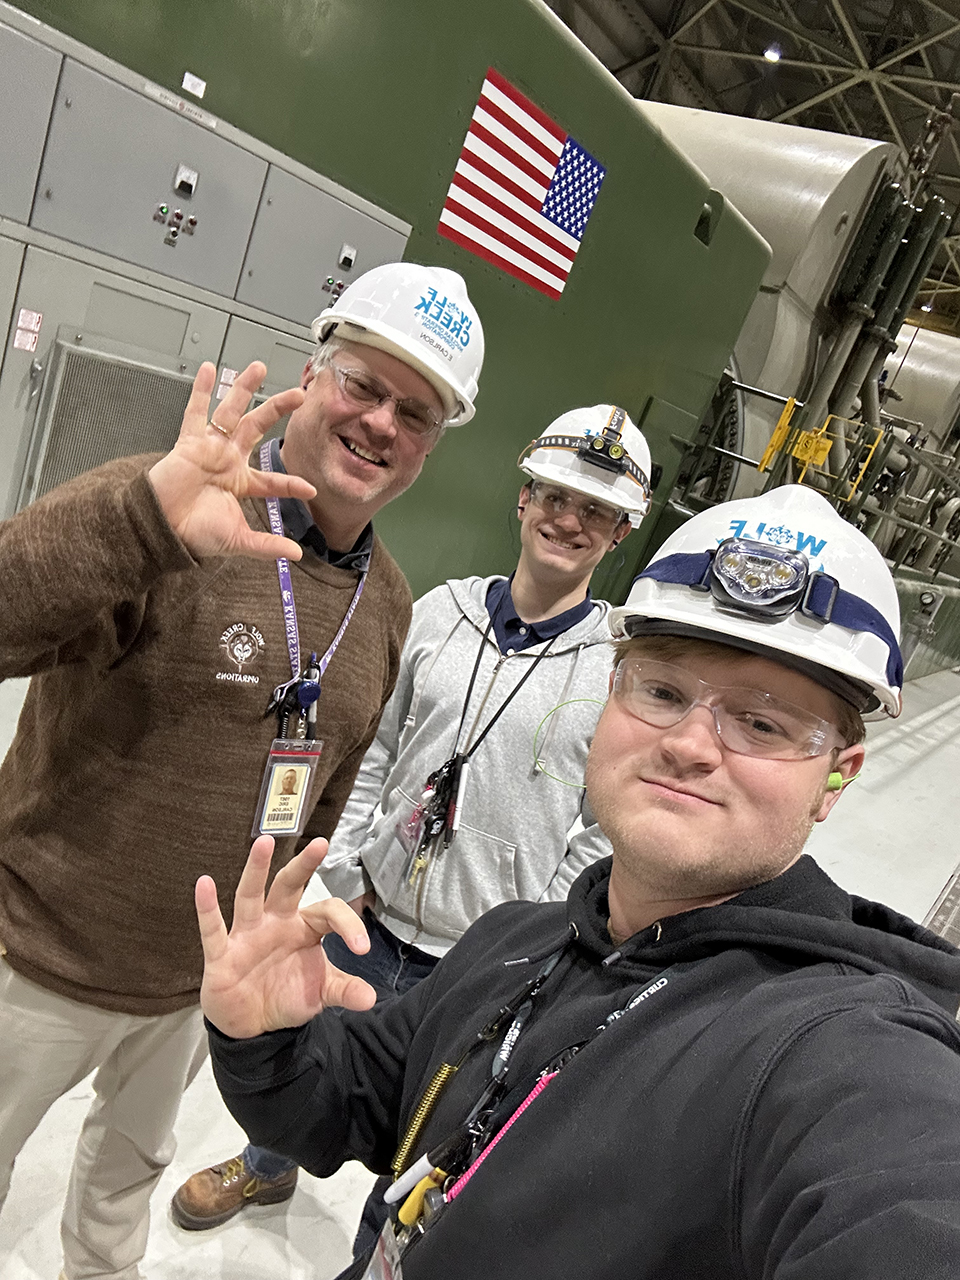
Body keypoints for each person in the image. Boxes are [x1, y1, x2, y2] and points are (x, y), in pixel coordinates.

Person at [198, 483, 960, 1280]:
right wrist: (263, 1039)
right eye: (662, 692)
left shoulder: (838, 1053)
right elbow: (353, 1102)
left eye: (762, 723)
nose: (689, 745)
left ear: (836, 778)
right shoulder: (519, 941)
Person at [0, 261, 483, 1280]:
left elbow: (328, 783)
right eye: (364, 384)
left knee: (124, 1183)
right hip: (36, 950)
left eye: (417, 412)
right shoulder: (172, 508)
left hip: (194, 981)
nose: (382, 423)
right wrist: (140, 523)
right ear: (311, 376)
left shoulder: (388, 602)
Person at [172, 403, 655, 1229]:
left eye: (596, 511)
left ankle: (386, 1238)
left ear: (619, 534)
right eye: (554, 497)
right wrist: (347, 869)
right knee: (311, 1052)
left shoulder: (615, 670)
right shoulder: (440, 613)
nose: (568, 520)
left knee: (429, 1123)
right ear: (524, 499)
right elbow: (377, 749)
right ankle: (265, 1166)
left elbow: (600, 831)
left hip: (482, 958)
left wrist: (535, 936)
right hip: (372, 918)